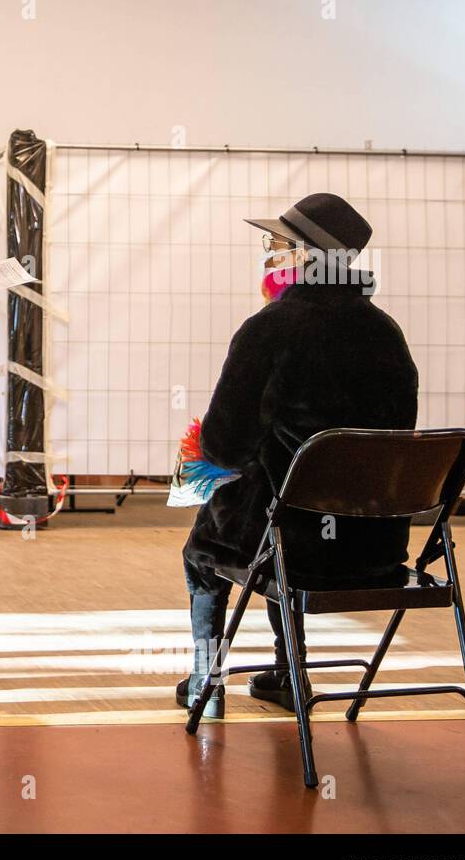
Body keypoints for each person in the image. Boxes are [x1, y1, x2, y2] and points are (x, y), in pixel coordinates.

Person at [176, 193, 419, 718]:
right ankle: (290, 675)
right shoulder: (387, 333)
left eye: (276, 243)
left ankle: (205, 681)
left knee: (207, 548)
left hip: (295, 545)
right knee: (282, 514)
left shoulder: (269, 329)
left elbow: (224, 446)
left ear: (308, 255)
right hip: (377, 548)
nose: (268, 251)